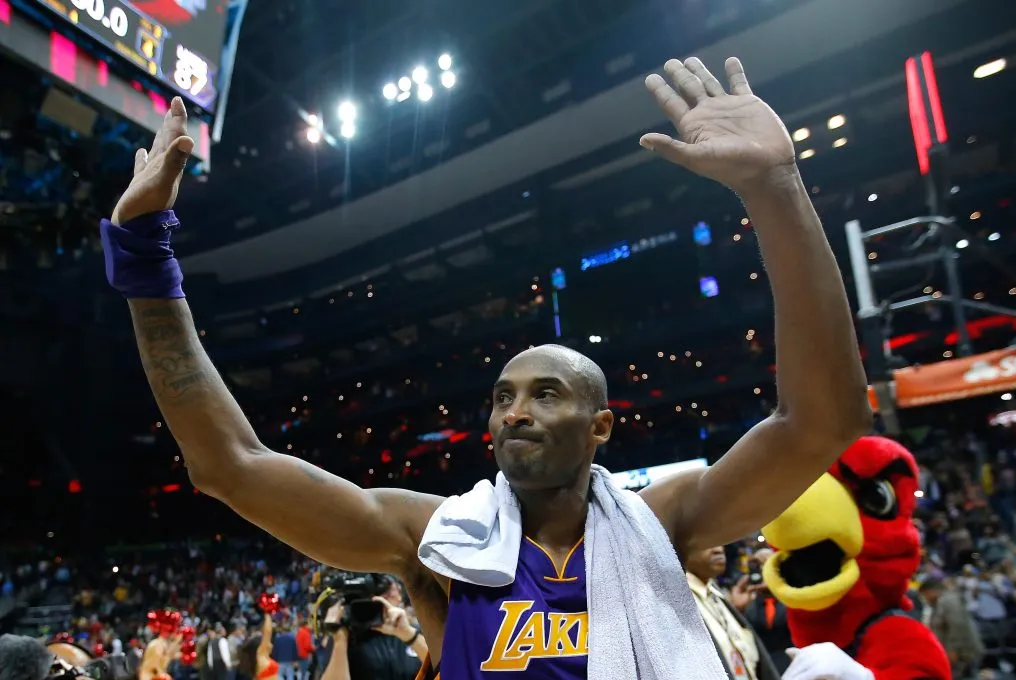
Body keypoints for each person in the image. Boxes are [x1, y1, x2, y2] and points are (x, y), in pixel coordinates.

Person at [103, 56, 870, 677]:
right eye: (502, 396)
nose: (515, 411)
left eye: (545, 393)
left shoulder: (666, 520)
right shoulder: (435, 538)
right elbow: (231, 466)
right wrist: (143, 259)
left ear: (601, 424)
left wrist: (776, 188)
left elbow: (821, 421)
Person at [686, 546, 780, 679]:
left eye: (721, 541)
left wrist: (737, 609)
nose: (718, 549)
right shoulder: (676, 603)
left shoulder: (719, 596)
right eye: (707, 543)